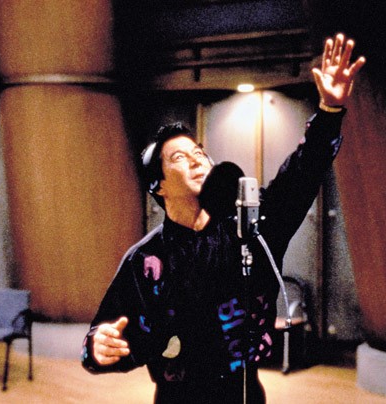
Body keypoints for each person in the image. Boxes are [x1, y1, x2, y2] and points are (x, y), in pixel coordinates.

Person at [81, 33, 365, 403]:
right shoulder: (146, 260)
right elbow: (104, 336)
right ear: (159, 186)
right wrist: (98, 347)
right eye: (179, 157)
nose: (196, 158)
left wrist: (330, 111)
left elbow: (302, 173)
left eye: (199, 151)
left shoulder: (251, 228)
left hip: (245, 393)